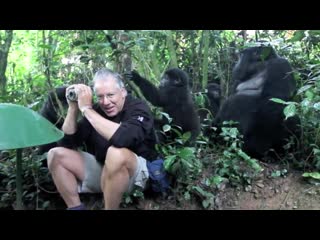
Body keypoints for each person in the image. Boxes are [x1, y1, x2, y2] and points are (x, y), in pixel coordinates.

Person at [47, 68, 158, 210]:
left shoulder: (138, 108)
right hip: (105, 172)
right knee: (55, 154)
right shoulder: (96, 111)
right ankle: (76, 207)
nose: (105, 102)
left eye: (111, 95)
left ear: (123, 92)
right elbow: (66, 143)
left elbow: (123, 139)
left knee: (115, 153)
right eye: (100, 97)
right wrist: (73, 108)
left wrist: (86, 109)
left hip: (136, 177)